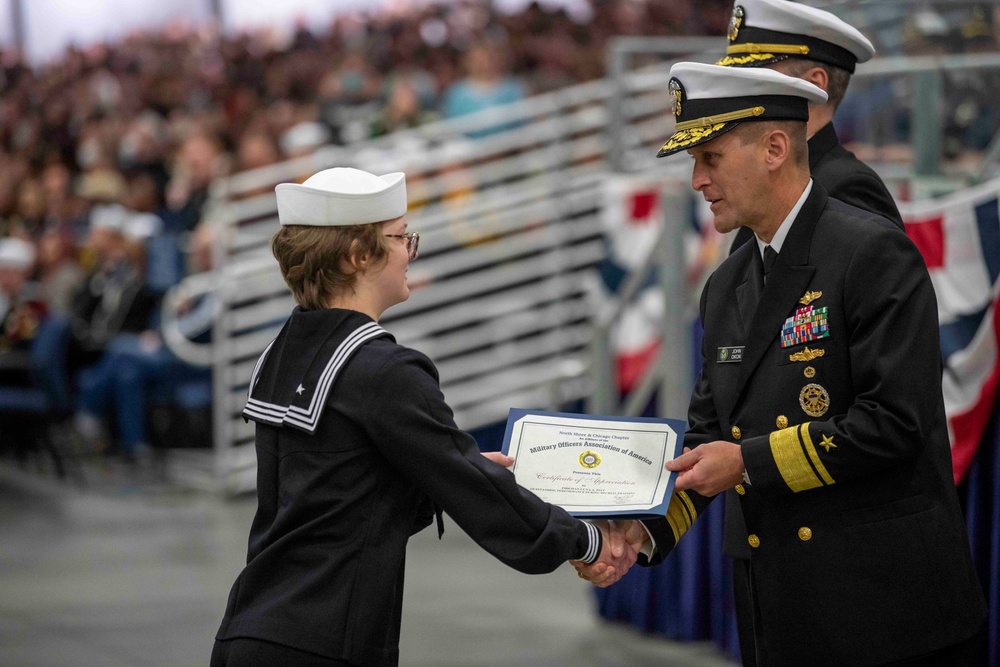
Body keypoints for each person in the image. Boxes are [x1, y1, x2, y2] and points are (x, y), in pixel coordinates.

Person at [576, 62, 986, 666]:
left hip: (886, 613)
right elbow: (710, 436)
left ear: (774, 148)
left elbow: (894, 423)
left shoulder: (872, 252)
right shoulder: (727, 284)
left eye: (710, 158)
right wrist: (643, 531)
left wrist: (745, 462)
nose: (696, 180)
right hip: (779, 608)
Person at [212, 167, 634, 667]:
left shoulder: (281, 352)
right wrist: (585, 540)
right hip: (324, 639)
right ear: (357, 255)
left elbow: (330, 495)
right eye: (399, 237)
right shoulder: (384, 369)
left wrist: (446, 473)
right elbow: (475, 491)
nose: (410, 251)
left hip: (252, 628)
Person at [720, 0, 903, 262]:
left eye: (757, 78)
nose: (740, 94)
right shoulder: (770, 181)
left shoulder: (848, 188)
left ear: (815, 85)